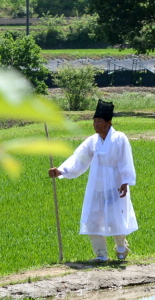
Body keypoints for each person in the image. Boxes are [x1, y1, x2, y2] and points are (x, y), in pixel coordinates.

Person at [48, 100, 137, 262]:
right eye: (94, 121)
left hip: (115, 184)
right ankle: (101, 254)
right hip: (96, 184)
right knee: (93, 217)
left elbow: (126, 160)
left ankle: (121, 247)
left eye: (99, 121)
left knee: (115, 217)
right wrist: (61, 170)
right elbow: (79, 159)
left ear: (109, 122)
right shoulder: (92, 141)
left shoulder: (119, 138)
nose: (96, 125)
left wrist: (126, 181)